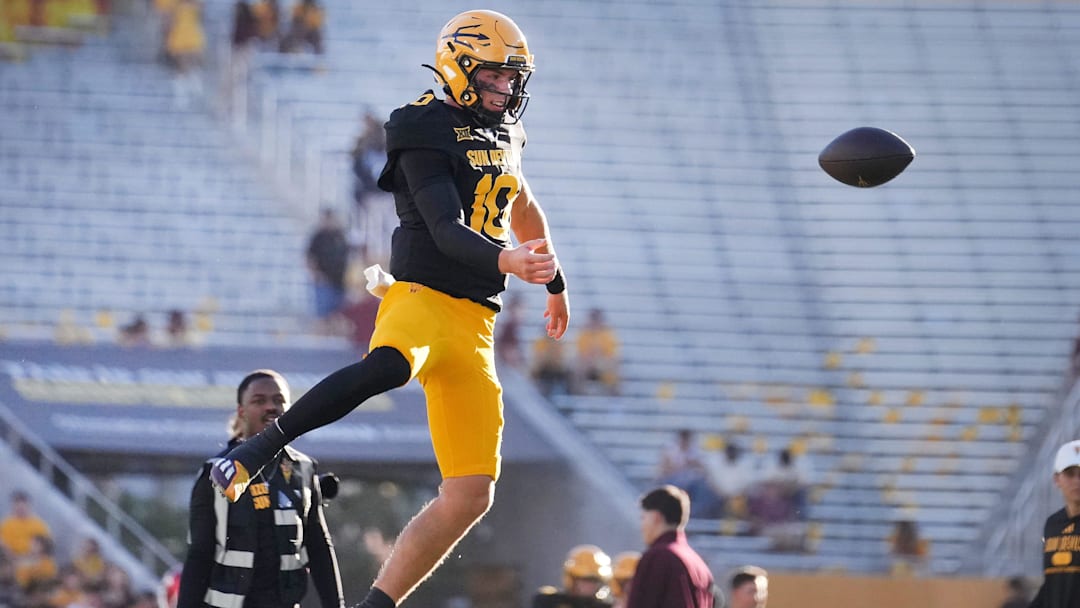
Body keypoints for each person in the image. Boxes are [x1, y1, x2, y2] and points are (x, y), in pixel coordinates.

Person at [208, 10, 569, 608]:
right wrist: (510, 262)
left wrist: (556, 280)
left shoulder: (505, 133)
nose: (506, 89)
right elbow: (445, 228)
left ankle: (378, 603)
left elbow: (521, 199)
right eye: (495, 76)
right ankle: (256, 449)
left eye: (512, 78)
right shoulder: (421, 125)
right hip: (421, 297)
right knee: (389, 365)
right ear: (459, 68)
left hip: (475, 326)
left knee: (471, 492)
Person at [178, 369, 345, 608]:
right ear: (241, 411)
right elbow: (199, 555)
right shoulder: (216, 472)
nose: (271, 407)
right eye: (259, 401)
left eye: (279, 400)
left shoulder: (304, 468)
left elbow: (319, 548)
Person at [625, 485, 716, 608]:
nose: (642, 526)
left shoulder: (658, 556)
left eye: (643, 518)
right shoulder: (699, 563)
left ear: (656, 517)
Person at [1028, 439, 1080, 608]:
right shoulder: (1053, 524)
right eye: (1070, 473)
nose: (1077, 481)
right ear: (1057, 479)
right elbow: (1052, 584)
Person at [305, 208, 350, 330]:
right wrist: (315, 275)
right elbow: (310, 257)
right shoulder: (318, 237)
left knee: (338, 314)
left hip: (340, 281)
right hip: (324, 281)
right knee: (323, 314)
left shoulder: (340, 236)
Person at [532, 545, 613, 608]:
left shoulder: (605, 606)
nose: (591, 585)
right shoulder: (549, 601)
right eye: (586, 580)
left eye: (595, 580)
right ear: (573, 580)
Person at [573, 308, 619, 395]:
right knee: (577, 366)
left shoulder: (607, 334)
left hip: (603, 363)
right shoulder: (583, 333)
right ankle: (578, 393)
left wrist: (598, 360)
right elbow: (580, 353)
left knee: (613, 367)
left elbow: (611, 355)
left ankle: (613, 394)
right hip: (587, 363)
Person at [0, 491, 52, 559]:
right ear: (13, 506)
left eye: (23, 505)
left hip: (34, 560)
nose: (20, 508)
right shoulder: (5, 524)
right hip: (11, 560)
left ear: (28, 506)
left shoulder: (39, 524)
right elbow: (2, 544)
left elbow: (47, 544)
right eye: (17, 505)